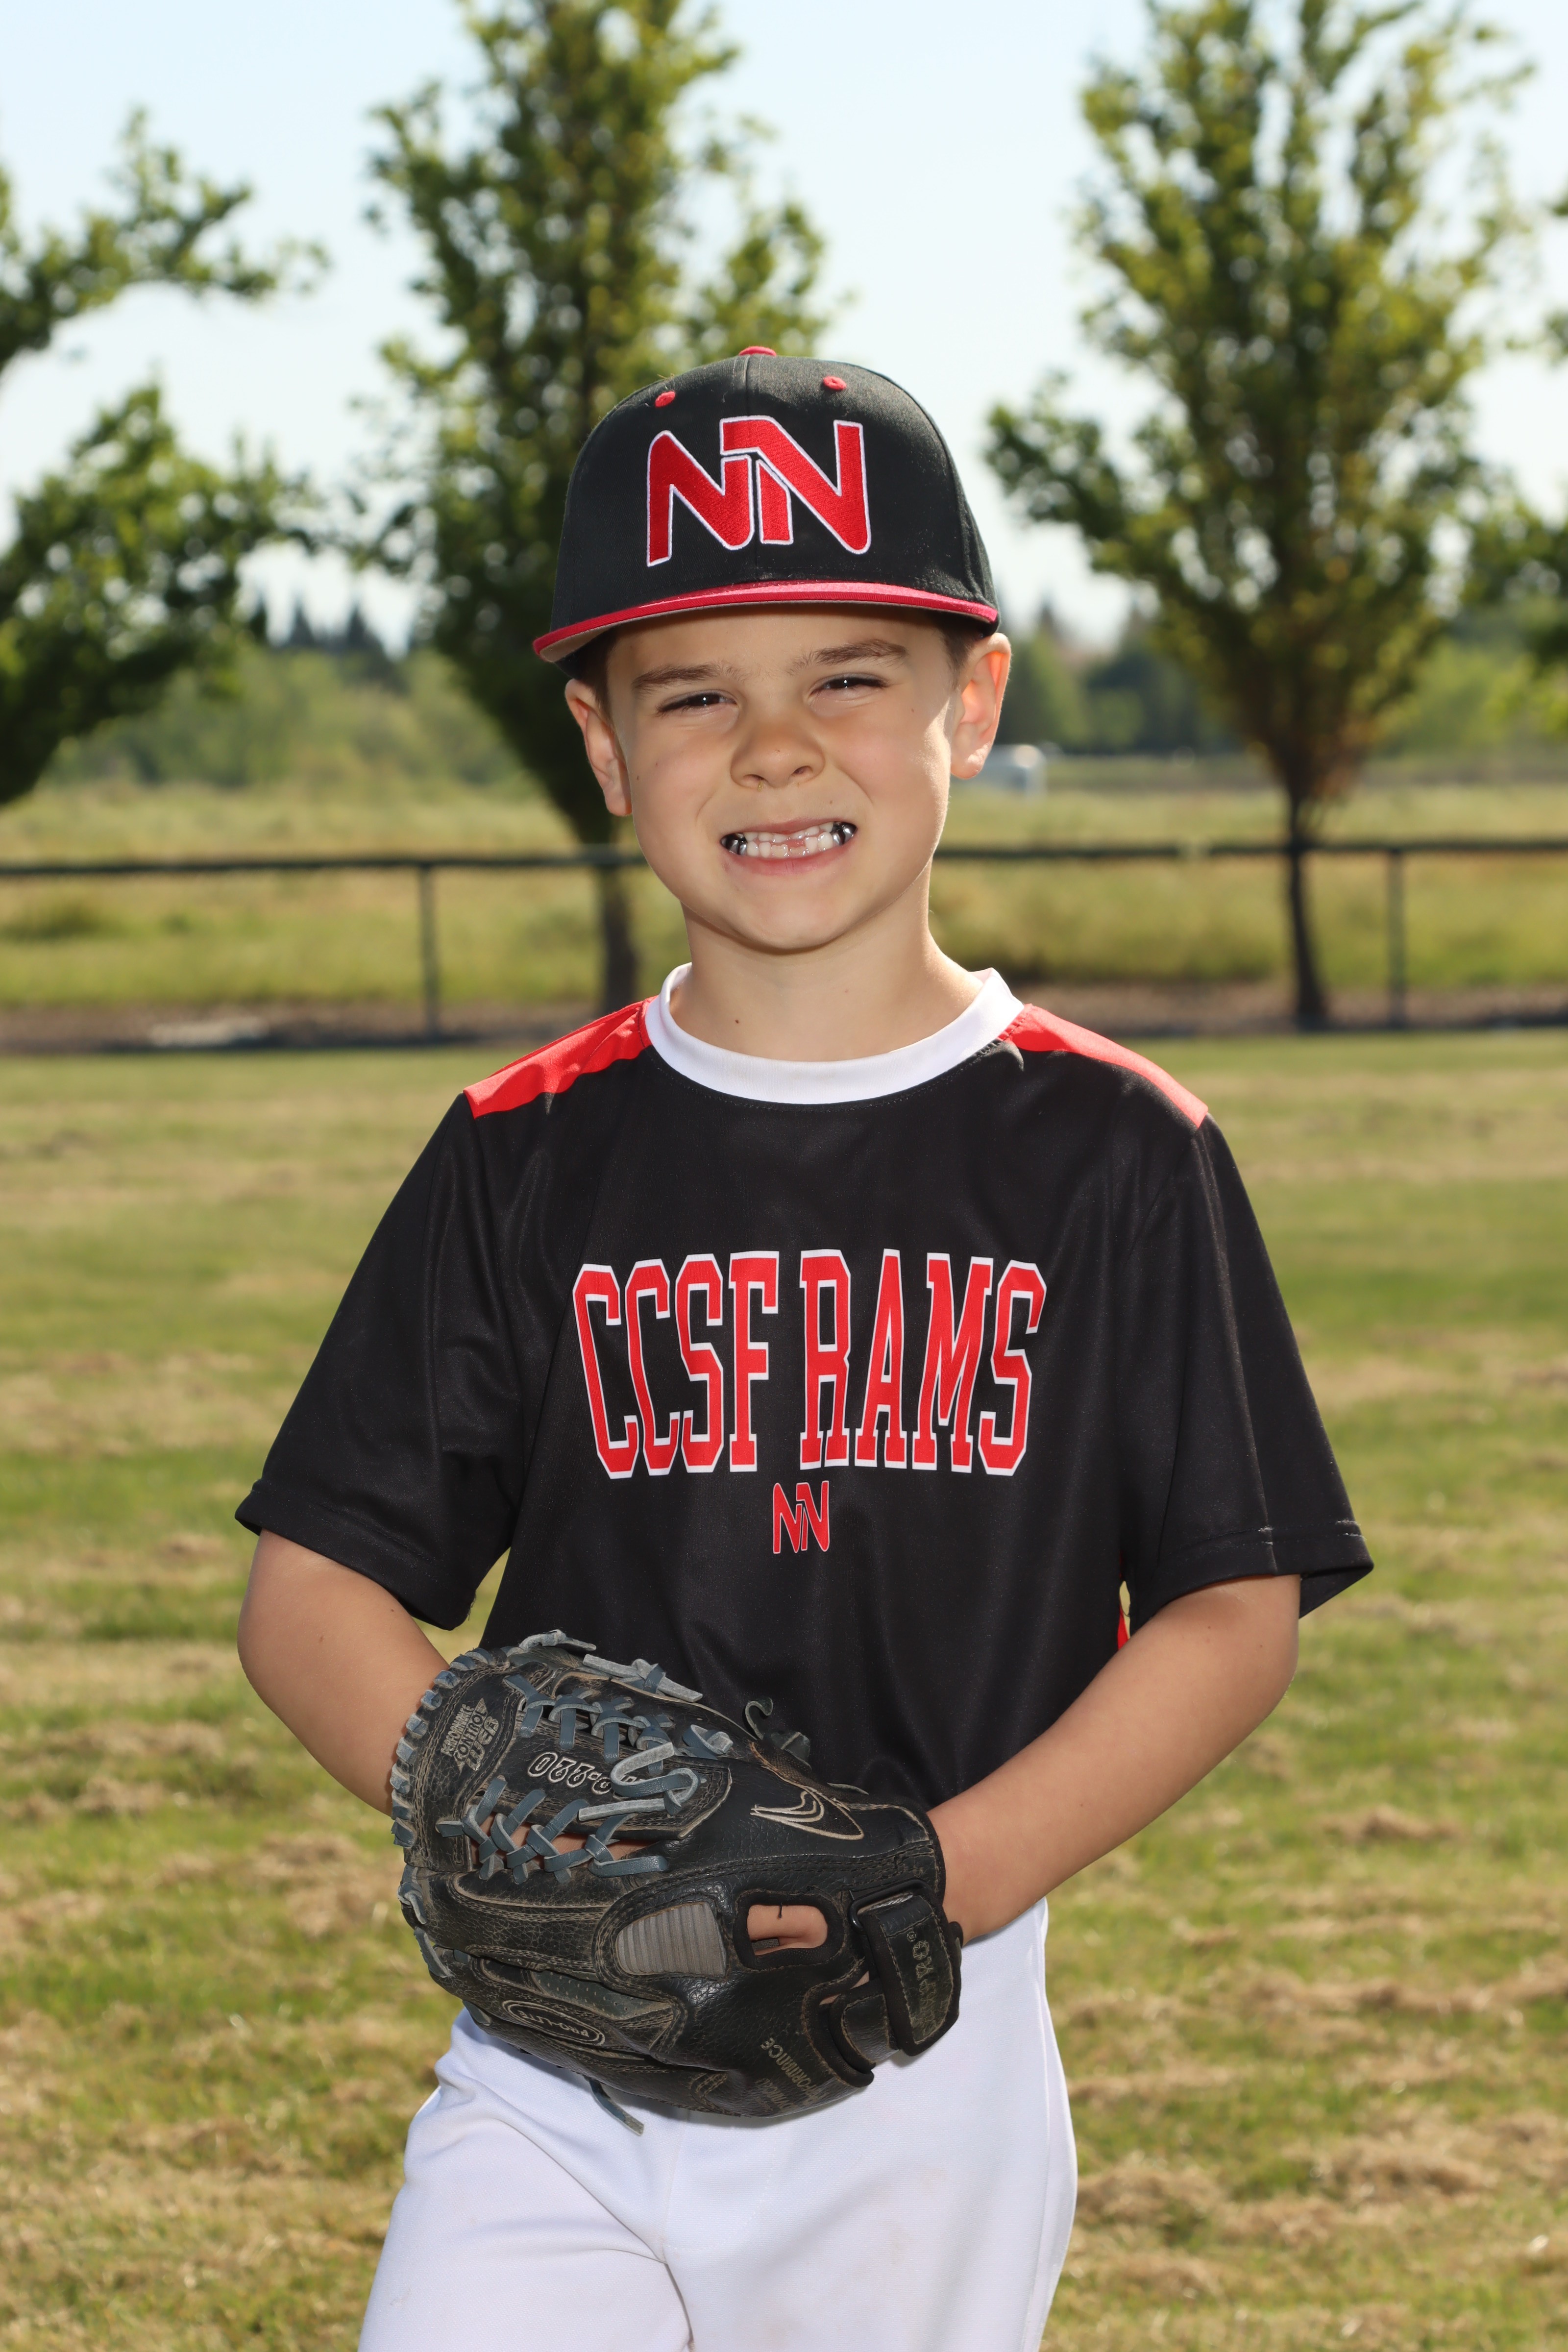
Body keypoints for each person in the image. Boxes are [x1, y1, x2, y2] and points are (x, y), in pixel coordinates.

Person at [235, 351, 1371, 2352]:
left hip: (917, 2050)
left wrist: (928, 1873)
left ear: (973, 704)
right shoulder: (526, 1151)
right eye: (692, 694)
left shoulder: (1114, 1151)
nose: (773, 749)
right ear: (601, 746)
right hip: (566, 2055)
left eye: (847, 675)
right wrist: (515, 1839)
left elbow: (1232, 1606)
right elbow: (311, 1593)